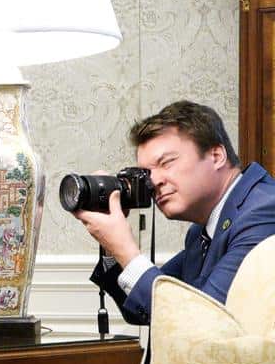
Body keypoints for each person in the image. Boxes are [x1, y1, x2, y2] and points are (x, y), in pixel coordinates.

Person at [75, 100, 275, 324]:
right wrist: (112, 249)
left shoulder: (263, 213)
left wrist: (126, 248)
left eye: (167, 162)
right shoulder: (201, 231)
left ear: (216, 156)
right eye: (147, 174)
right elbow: (144, 310)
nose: (155, 182)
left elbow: (204, 323)